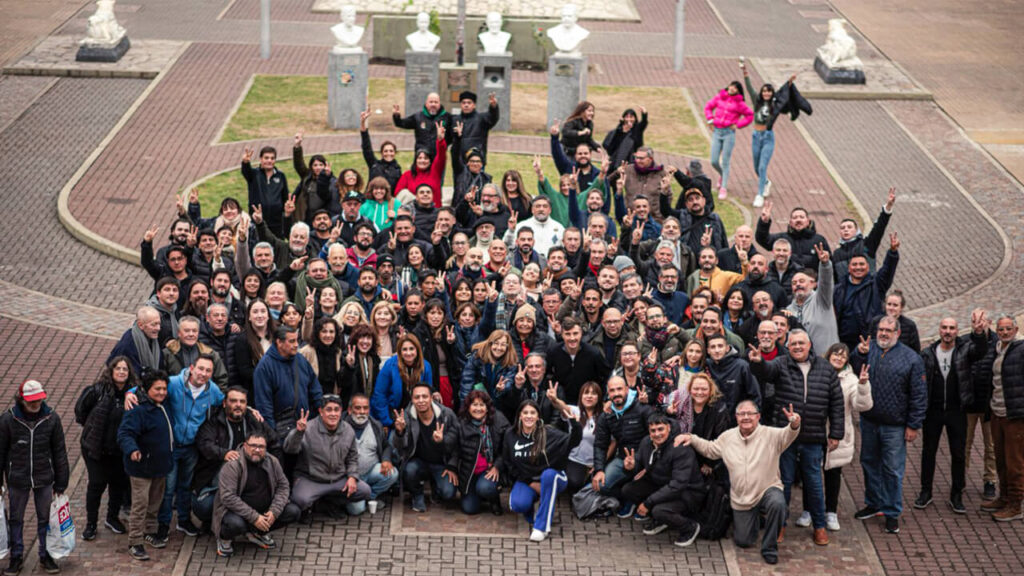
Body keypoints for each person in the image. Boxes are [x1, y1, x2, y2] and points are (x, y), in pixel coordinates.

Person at [748, 329, 844, 546]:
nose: (798, 347)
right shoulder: (781, 364)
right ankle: (780, 525)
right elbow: (765, 371)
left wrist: (836, 432)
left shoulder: (826, 368)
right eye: (793, 344)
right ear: (788, 346)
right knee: (784, 483)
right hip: (786, 436)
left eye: (801, 343)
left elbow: (836, 402)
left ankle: (819, 526)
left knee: (814, 483)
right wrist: (757, 362)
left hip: (813, 435)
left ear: (809, 345)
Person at [681, 400, 802, 565]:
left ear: (758, 416)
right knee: (743, 541)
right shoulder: (728, 437)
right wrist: (692, 438)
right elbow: (710, 449)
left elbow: (789, 433)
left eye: (750, 414)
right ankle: (758, 520)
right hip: (742, 499)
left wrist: (795, 423)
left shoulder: (771, 435)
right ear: (736, 417)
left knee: (778, 503)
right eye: (741, 414)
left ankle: (769, 548)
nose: (746, 417)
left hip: (766, 490)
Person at [850, 315, 927, 534]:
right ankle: (874, 503)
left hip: (895, 426)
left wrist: (913, 425)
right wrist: (859, 354)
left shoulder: (911, 359)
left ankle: (892, 512)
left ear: (898, 333)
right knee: (869, 463)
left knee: (892, 470)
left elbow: (919, 395)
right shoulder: (869, 349)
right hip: (869, 421)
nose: (883, 334)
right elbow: (856, 371)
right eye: (881, 330)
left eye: (888, 330)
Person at [915, 311, 989, 514]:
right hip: (933, 411)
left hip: (957, 410)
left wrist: (979, 332)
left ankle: (957, 494)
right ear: (939, 330)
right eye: (944, 328)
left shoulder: (965, 350)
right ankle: (925, 491)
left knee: (958, 453)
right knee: (928, 452)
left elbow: (981, 350)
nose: (947, 332)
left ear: (957, 331)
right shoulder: (928, 353)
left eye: (952, 328)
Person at [0, 381, 69, 574]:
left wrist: (61, 482)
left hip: (44, 477)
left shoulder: (52, 419)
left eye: (38, 400)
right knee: (16, 519)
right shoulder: (7, 420)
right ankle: (16, 556)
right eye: (32, 401)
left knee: (45, 519)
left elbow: (59, 452)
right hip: (17, 478)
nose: (36, 403)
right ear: (22, 400)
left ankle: (45, 555)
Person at [192, 386, 279, 530]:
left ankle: (251, 527)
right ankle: (221, 524)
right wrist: (223, 453)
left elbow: (273, 440)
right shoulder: (214, 421)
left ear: (247, 405)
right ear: (225, 403)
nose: (238, 405)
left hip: (250, 480)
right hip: (218, 482)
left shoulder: (254, 420)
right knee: (204, 507)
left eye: (242, 401)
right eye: (233, 401)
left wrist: (273, 469)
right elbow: (203, 442)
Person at [502, 399, 582, 542]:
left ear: (538, 416)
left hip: (555, 477)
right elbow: (509, 463)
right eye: (525, 412)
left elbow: (573, 442)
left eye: (533, 413)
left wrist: (575, 425)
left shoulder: (548, 432)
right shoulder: (510, 434)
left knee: (548, 475)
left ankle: (541, 527)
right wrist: (530, 483)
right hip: (527, 479)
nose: (529, 416)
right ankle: (537, 505)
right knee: (518, 504)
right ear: (519, 415)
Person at [620, 414, 706, 547]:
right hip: (662, 484)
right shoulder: (646, 442)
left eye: (661, 429)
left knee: (659, 510)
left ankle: (690, 527)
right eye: (653, 431)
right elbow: (639, 462)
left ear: (669, 428)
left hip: (688, 492)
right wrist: (630, 466)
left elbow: (678, 485)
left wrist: (648, 503)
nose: (657, 434)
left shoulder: (680, 448)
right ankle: (662, 520)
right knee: (628, 490)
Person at [213, 430, 301, 558]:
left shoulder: (272, 461)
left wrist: (274, 511)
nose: (257, 450)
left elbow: (283, 486)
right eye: (253, 446)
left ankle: (258, 532)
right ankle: (224, 539)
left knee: (293, 511)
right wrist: (254, 517)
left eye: (261, 447)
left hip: (263, 510)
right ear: (245, 446)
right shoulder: (232, 465)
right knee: (235, 525)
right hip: (235, 512)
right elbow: (228, 498)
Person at [75, 357, 134, 541]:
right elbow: (81, 412)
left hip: (119, 449)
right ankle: (91, 523)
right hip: (96, 447)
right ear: (111, 370)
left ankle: (112, 517)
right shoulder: (97, 391)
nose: (122, 372)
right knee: (97, 483)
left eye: (125, 369)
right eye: (118, 368)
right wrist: (93, 429)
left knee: (118, 483)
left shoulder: (133, 393)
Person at [117, 370, 174, 562]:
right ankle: (134, 542)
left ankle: (150, 532)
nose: (162, 392)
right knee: (140, 505)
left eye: (164, 389)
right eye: (157, 389)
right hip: (141, 468)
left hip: (161, 466)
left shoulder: (163, 404)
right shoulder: (137, 409)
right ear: (147, 389)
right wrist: (132, 449)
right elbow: (125, 433)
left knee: (155, 503)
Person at [283, 395, 371, 515]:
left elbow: (352, 457)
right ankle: (316, 504)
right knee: (300, 500)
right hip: (312, 479)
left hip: (338, 479)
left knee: (365, 491)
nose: (333, 414)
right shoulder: (307, 428)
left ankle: (330, 502)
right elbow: (290, 450)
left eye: (336, 410)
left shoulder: (348, 430)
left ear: (341, 411)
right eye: (329, 409)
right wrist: (298, 433)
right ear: (321, 411)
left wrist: (352, 477)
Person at [979, 315, 1024, 522]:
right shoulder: (997, 348)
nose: (1005, 332)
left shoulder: (1021, 349)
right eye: (1001, 329)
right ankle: (1004, 497)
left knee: (1015, 462)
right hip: (997, 412)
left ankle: (1016, 504)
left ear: (1015, 329)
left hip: (1015, 415)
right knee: (1001, 459)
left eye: (1008, 329)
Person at [592, 376, 655, 517]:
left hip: (646, 460)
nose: (616, 393)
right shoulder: (606, 415)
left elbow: (658, 436)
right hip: (622, 458)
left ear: (627, 389)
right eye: (612, 390)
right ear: (608, 393)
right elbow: (600, 444)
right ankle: (628, 498)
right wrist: (599, 469)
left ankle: (642, 501)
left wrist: (647, 465)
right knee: (600, 484)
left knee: (652, 478)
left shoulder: (642, 407)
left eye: (619, 389)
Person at [393, 383, 459, 512]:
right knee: (409, 470)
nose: (421, 401)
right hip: (418, 463)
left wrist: (451, 465)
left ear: (431, 398)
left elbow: (457, 443)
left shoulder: (446, 414)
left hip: (442, 464)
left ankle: (436, 488)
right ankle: (417, 495)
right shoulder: (406, 416)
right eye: (417, 397)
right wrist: (399, 433)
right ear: (412, 400)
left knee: (448, 493)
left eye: (425, 396)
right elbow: (400, 448)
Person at [253, 326, 325, 446]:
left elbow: (314, 387)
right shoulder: (264, 367)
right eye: (291, 341)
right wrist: (272, 435)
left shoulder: (300, 360)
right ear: (279, 343)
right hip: (280, 430)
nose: (296, 345)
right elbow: (264, 404)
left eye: (297, 340)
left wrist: (321, 410)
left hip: (305, 424)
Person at [833, 233, 900, 350]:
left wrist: (892, 252)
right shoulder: (839, 288)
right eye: (854, 264)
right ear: (849, 268)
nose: (858, 267)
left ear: (868, 267)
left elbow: (887, 270)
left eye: (861, 264)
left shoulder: (876, 284)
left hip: (871, 341)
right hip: (845, 342)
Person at [454, 390, 510, 515]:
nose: (478, 408)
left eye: (481, 405)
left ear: (487, 407)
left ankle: (493, 498)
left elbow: (507, 448)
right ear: (468, 407)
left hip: (490, 470)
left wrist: (497, 466)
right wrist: (452, 467)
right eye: (474, 404)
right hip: (469, 472)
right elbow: (454, 450)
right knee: (470, 509)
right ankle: (478, 494)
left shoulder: (499, 420)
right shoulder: (461, 423)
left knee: (485, 488)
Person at [342, 394, 397, 515]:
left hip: (370, 472)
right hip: (349, 477)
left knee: (392, 473)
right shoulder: (341, 426)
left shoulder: (375, 425)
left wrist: (386, 459)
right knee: (356, 510)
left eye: (365, 408)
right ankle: (358, 498)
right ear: (350, 410)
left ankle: (369, 496)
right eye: (358, 408)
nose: (362, 412)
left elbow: (386, 445)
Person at [371, 333, 433, 430]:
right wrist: (387, 422)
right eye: (404, 349)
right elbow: (379, 395)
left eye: (411, 349)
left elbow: (428, 393)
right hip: (393, 414)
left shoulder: (425, 366)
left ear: (417, 350)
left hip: (417, 413)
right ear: (399, 351)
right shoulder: (390, 365)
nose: (408, 353)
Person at [703, 81, 753, 199]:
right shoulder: (719, 98)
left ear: (738, 90)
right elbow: (708, 107)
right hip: (717, 132)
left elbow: (750, 115)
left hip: (729, 134)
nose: (732, 89)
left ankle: (723, 187)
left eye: (735, 88)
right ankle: (722, 175)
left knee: (725, 161)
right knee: (714, 160)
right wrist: (710, 119)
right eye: (731, 86)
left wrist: (738, 124)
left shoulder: (740, 103)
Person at [786, 243, 837, 357]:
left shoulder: (821, 300)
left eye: (802, 281)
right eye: (794, 283)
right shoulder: (789, 310)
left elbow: (826, 282)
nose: (798, 285)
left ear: (812, 284)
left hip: (826, 359)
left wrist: (825, 264)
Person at [546, 317, 610, 402]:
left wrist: (602, 397)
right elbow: (547, 374)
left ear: (581, 334)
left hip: (590, 402)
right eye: (568, 334)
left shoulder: (593, 353)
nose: (572, 338)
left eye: (575, 333)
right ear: (562, 335)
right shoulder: (554, 352)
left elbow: (607, 375)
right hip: (562, 402)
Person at [755, 201, 831, 271]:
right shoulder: (782, 239)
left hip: (812, 282)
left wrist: (825, 261)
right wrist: (764, 222)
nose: (798, 220)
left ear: (808, 221)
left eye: (802, 217)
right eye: (795, 218)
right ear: (790, 222)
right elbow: (763, 239)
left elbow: (830, 263)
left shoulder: (819, 240)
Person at [241, 145, 289, 237]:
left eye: (272, 158)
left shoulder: (280, 176)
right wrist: (245, 163)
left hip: (276, 223)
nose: (269, 161)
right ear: (261, 159)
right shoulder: (254, 174)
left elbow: (285, 197)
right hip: (258, 220)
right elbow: (246, 172)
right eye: (266, 158)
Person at [565, 382, 603, 493]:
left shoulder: (604, 416)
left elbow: (612, 442)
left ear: (599, 397)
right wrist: (554, 399)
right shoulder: (575, 411)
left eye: (593, 393)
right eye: (586, 393)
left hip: (596, 461)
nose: (589, 396)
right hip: (576, 460)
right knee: (574, 483)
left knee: (600, 486)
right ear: (581, 396)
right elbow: (561, 406)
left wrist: (600, 463)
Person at [109, 306, 164, 376]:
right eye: (154, 324)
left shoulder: (152, 337)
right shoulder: (127, 345)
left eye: (159, 323)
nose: (158, 328)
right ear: (140, 325)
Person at [360, 110, 402, 192]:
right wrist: (363, 123)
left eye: (391, 151)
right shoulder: (374, 164)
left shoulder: (397, 169)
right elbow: (366, 147)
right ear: (382, 153)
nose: (388, 153)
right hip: (372, 200)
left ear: (395, 153)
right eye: (386, 151)